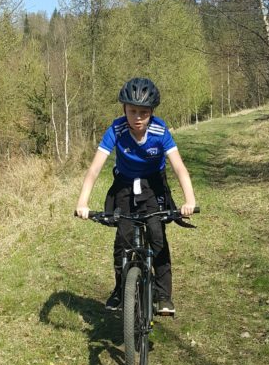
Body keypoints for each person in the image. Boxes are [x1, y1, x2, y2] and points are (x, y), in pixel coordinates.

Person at [75, 76, 197, 314]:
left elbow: (179, 168)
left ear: (152, 112)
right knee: (123, 238)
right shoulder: (116, 129)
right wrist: (82, 202)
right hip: (125, 184)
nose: (138, 117)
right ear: (124, 109)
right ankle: (121, 289)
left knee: (156, 234)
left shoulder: (160, 131)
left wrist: (189, 200)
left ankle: (163, 295)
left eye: (144, 112)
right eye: (132, 111)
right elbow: (94, 169)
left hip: (154, 184)